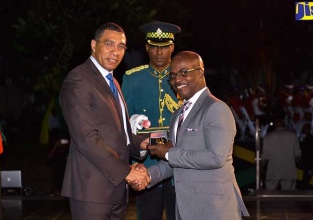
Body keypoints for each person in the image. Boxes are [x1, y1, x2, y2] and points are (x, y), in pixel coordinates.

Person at [132, 51, 250, 219]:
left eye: (184, 72)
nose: (177, 80)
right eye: (172, 76)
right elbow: (173, 162)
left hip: (214, 209)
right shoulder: (177, 114)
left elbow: (215, 157)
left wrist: (167, 153)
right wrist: (147, 176)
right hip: (185, 209)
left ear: (201, 73)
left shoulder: (216, 108)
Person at [59, 22, 151, 220]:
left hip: (117, 190)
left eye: (121, 47)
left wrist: (141, 143)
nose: (115, 52)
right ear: (93, 45)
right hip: (91, 190)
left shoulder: (113, 81)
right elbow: (87, 138)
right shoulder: (78, 80)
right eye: (109, 44)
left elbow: (119, 131)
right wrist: (127, 171)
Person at [121, 21, 181, 220]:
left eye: (164, 47)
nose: (159, 52)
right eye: (154, 46)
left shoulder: (183, 77)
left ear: (172, 46)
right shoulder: (132, 79)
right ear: (147, 47)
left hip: (179, 159)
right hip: (145, 161)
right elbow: (125, 124)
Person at [261, 117, 301, 190]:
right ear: (284, 125)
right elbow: (298, 155)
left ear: (275, 125)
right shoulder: (293, 136)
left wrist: (261, 165)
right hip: (289, 171)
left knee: (270, 194)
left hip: (273, 171)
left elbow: (265, 156)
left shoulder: (268, 137)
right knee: (289, 195)